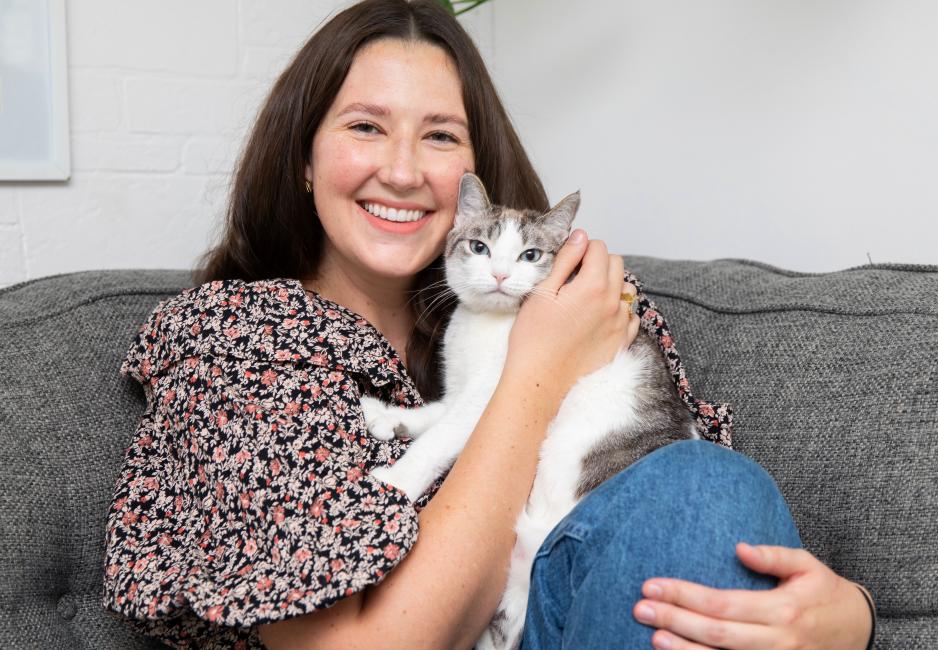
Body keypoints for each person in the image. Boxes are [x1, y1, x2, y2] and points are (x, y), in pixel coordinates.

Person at [102, 1, 875, 648]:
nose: (404, 171)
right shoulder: (238, 340)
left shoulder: (571, 292)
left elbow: (684, 513)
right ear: (304, 159)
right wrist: (535, 375)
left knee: (706, 480)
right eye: (365, 127)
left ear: (476, 169)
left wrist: (849, 620)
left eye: (440, 135)